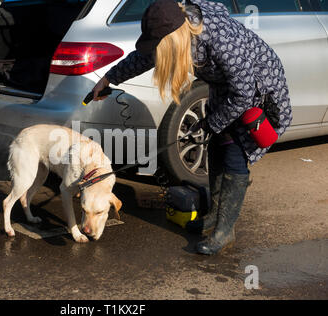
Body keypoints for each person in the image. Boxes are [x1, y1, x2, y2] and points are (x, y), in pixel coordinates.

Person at [92, 0, 292, 255]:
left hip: (258, 91)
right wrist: (109, 78)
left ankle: (225, 230)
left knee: (235, 153)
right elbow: (144, 58)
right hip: (226, 90)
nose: (157, 53)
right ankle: (213, 218)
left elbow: (243, 93)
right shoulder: (177, 31)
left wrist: (213, 122)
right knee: (217, 147)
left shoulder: (218, 38)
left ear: (173, 38)